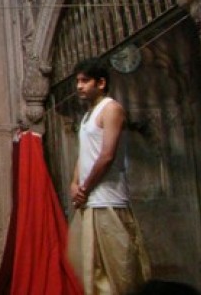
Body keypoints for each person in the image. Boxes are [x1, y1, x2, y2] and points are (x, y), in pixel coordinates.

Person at [67, 58, 150, 295]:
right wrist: (74, 183)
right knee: (93, 274)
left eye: (85, 81)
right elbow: (84, 154)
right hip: (90, 202)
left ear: (101, 83)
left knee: (121, 272)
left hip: (109, 201)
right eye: (77, 81)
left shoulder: (111, 109)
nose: (79, 86)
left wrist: (84, 188)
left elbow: (107, 155)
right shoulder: (87, 116)